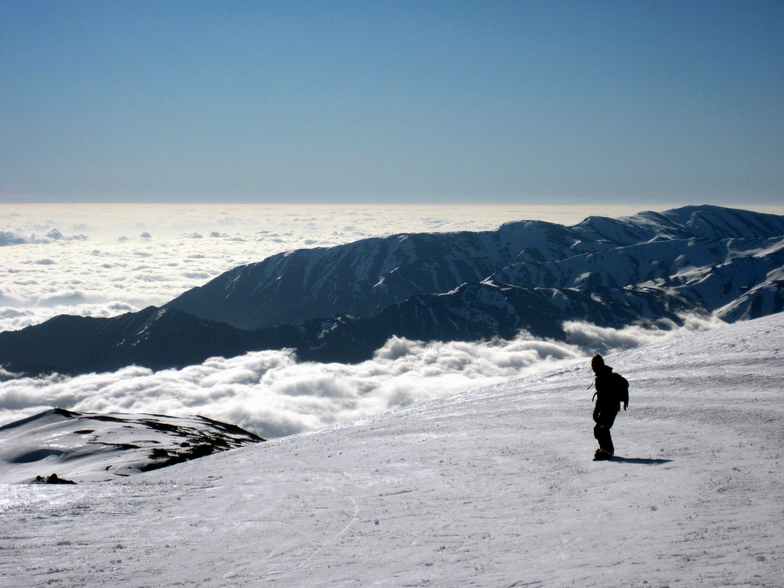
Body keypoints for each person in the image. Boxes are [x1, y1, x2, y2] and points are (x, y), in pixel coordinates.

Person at [591, 354, 628, 460]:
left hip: (608, 408)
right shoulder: (607, 374)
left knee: (601, 429)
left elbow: (601, 397)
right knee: (601, 428)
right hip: (613, 406)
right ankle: (606, 449)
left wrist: (596, 412)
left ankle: (607, 450)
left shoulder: (602, 378)